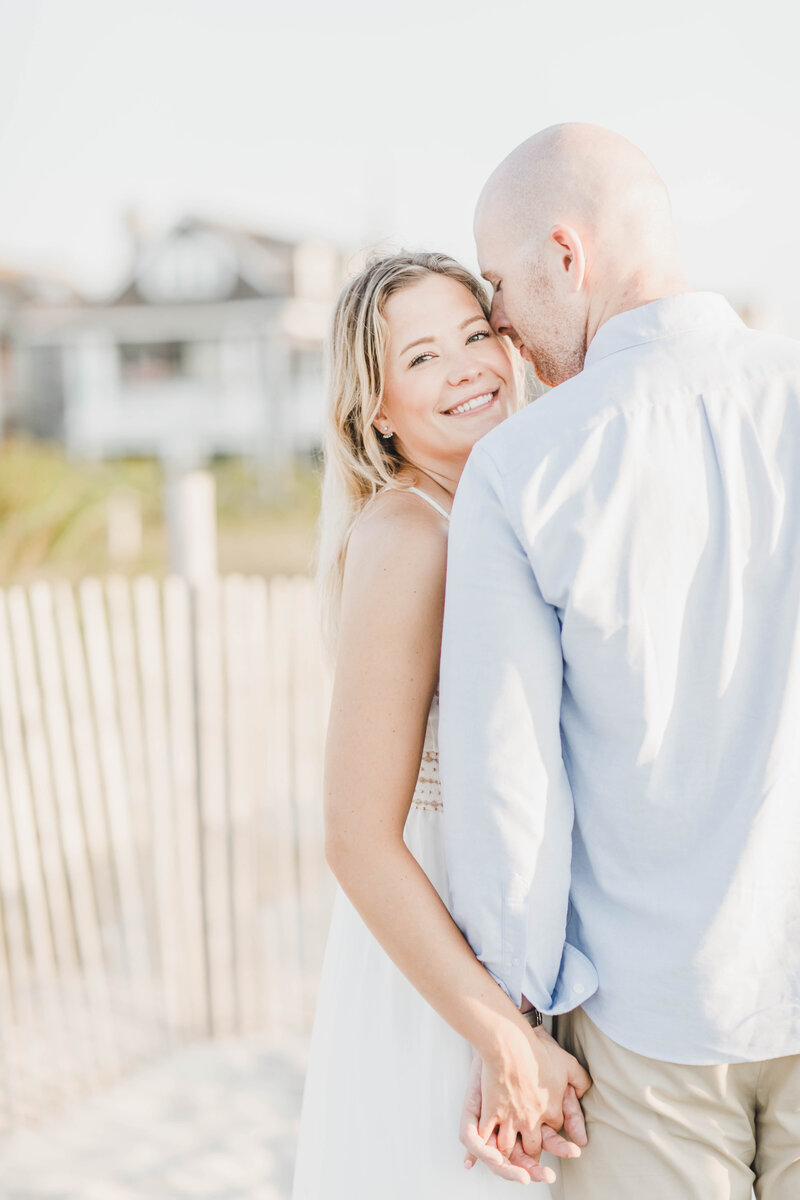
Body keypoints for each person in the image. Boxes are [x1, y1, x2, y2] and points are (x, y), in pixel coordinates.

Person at [439, 122, 800, 1198]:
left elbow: (509, 790)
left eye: (498, 282)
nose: (496, 320)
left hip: (645, 1023)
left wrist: (511, 1031)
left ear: (567, 254)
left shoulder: (518, 471)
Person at [291, 250, 590, 1199]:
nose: (466, 367)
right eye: (421, 358)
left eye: (474, 335)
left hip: (516, 935)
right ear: (375, 407)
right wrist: (498, 1035)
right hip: (441, 952)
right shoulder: (409, 532)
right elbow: (356, 838)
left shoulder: (500, 511)